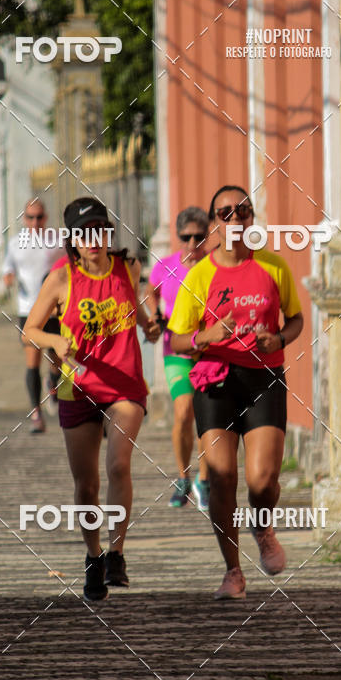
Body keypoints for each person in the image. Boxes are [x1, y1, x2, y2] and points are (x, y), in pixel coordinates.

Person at [168, 185, 304, 599]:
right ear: (213, 225)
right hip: (216, 381)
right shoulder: (200, 275)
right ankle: (233, 570)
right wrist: (205, 335)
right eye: (224, 213)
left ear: (251, 218)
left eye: (241, 210)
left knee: (263, 480)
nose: (234, 219)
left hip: (263, 379)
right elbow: (176, 341)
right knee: (223, 477)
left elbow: (295, 319)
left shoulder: (274, 267)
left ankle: (262, 527)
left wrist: (278, 340)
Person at [23, 197, 160, 602]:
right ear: (73, 239)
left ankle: (116, 553)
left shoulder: (128, 267)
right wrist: (55, 340)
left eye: (100, 229)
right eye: (84, 232)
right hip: (77, 387)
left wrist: (151, 330)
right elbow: (30, 329)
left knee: (118, 465)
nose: (94, 238)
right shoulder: (61, 278)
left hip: (124, 386)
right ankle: (93, 555)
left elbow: (138, 311)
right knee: (87, 484)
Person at [145, 207, 211, 510]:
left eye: (199, 236)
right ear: (178, 237)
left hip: (212, 351)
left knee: (209, 417)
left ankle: (205, 481)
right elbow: (151, 291)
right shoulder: (166, 266)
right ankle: (184, 477)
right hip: (177, 349)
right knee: (184, 412)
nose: (192, 243)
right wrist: (154, 315)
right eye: (186, 237)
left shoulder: (215, 267)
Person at [2, 198, 62, 432]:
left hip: (55, 310)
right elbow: (8, 266)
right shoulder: (16, 243)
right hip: (28, 309)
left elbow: (69, 263)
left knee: (57, 358)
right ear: (24, 219)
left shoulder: (57, 240)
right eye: (30, 217)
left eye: (39, 217)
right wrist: (8, 276)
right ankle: (36, 412)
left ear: (45, 218)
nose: (35, 222)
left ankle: (53, 382)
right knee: (32, 361)